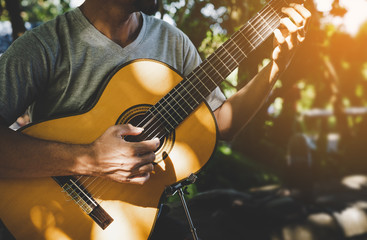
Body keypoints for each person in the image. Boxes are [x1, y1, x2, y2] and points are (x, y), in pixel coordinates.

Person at [0, 0, 310, 237]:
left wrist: (276, 65)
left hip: (137, 223)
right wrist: (89, 159)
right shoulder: (43, 46)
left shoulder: (172, 42)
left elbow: (221, 125)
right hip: (48, 215)